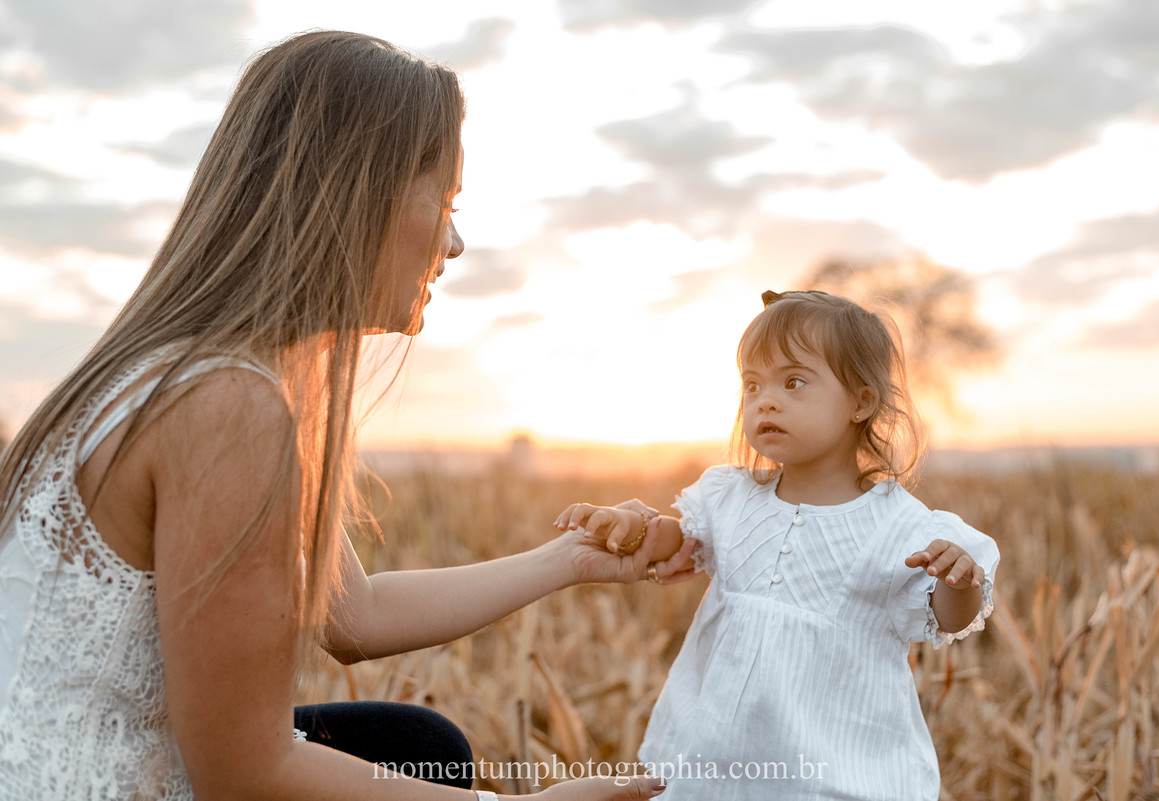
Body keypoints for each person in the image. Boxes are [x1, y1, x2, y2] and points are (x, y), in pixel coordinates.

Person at [0, 31, 668, 801]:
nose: (454, 242)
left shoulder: (181, 367)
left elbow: (355, 615)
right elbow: (246, 771)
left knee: (414, 745)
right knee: (421, 754)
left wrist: (572, 559)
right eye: (445, 202)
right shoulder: (227, 405)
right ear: (360, 192)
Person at [555, 289, 1000, 800]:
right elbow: (672, 541)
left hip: (836, 774)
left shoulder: (900, 526)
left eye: (793, 382)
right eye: (752, 384)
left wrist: (957, 577)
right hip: (715, 759)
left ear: (861, 402)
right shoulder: (731, 496)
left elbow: (949, 617)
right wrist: (624, 525)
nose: (765, 399)